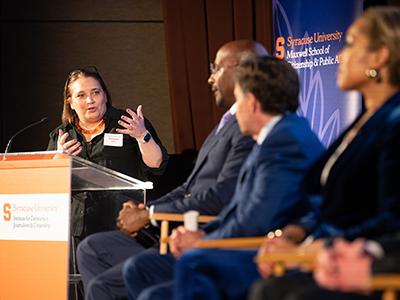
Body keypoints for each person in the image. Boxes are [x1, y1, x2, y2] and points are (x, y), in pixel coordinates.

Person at [121, 56, 325, 300]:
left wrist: (204, 239)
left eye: (238, 100)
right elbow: (237, 210)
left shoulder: (285, 143)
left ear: (251, 103)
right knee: (138, 268)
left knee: (168, 281)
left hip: (261, 254)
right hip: (239, 243)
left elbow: (256, 221)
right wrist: (202, 234)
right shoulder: (273, 137)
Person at [76, 40, 265, 300]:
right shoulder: (227, 123)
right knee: (89, 250)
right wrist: (147, 213)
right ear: (70, 102)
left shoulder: (247, 128)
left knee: (106, 283)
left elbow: (218, 193)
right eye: (81, 95)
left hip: (198, 230)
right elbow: (190, 187)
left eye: (216, 69)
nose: (210, 79)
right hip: (135, 222)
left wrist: (149, 213)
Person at [245, 6, 400, 300]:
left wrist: (311, 250)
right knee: (267, 289)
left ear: (380, 56)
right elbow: (333, 208)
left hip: (368, 266)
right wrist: (295, 232)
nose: (340, 55)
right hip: (323, 252)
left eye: (351, 44)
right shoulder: (365, 119)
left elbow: (391, 220)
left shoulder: (395, 121)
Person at [47, 67, 169, 238]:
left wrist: (142, 136)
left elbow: (157, 165)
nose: (90, 100)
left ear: (105, 95)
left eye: (95, 92)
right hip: (76, 228)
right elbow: (48, 186)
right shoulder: (61, 136)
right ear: (70, 103)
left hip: (121, 224)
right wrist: (57, 160)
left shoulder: (129, 124)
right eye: (81, 95)